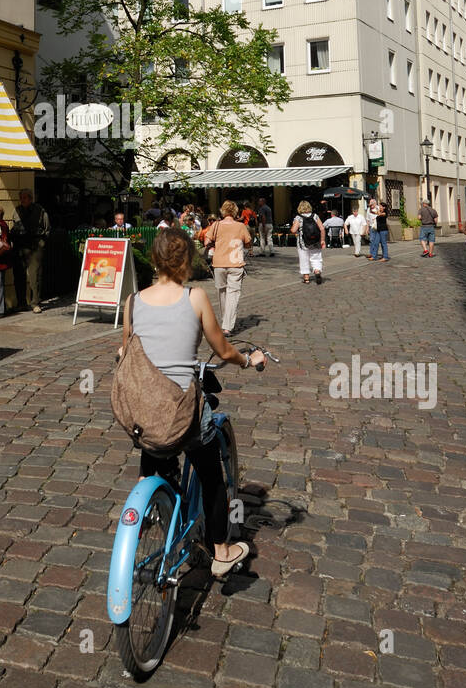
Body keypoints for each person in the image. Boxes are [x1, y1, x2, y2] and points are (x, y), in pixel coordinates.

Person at [118, 227, 263, 576]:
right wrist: (249, 359)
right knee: (212, 474)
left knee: (153, 428)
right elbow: (223, 350)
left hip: (141, 411)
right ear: (187, 261)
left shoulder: (133, 302)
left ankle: (147, 495)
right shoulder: (194, 297)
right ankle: (221, 551)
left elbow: (126, 351)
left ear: (154, 259)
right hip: (184, 411)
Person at [203, 201, 249, 334]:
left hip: (219, 263)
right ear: (235, 211)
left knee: (222, 293)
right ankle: (227, 326)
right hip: (236, 263)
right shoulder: (240, 226)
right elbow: (248, 242)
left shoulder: (215, 225)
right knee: (233, 294)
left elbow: (206, 241)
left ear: (222, 211)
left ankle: (225, 321)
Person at [10, 190, 50, 314]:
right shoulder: (16, 211)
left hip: (34, 247)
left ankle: (35, 303)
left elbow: (47, 229)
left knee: (34, 276)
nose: (22, 200)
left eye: (24, 198)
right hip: (20, 247)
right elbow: (13, 226)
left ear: (30, 198)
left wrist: (41, 244)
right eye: (21, 197)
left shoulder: (40, 211)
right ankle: (21, 303)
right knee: (19, 275)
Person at [291, 200, 325, 283]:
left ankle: (306, 278)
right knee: (316, 257)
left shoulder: (298, 218)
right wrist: (322, 240)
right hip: (315, 241)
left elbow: (293, 230)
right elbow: (322, 228)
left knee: (304, 259)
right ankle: (317, 271)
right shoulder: (315, 216)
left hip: (303, 243)